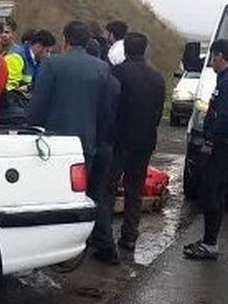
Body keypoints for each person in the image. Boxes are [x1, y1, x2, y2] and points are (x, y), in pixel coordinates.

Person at [29, 21, 121, 263]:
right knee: (84, 196)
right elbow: (104, 111)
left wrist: (29, 132)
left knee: (53, 197)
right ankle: (79, 245)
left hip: (54, 145)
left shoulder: (52, 64)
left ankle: (52, 250)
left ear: (65, 40)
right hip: (86, 143)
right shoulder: (102, 68)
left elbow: (38, 105)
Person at [183, 39, 228, 260]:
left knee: (212, 192)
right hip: (224, 144)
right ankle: (208, 240)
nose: (211, 61)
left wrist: (210, 141)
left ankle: (210, 243)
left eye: (212, 56)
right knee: (213, 191)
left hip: (222, 146)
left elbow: (224, 117)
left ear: (220, 56)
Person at [110, 31, 165, 253]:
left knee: (109, 187)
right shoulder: (156, 77)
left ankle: (101, 234)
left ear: (125, 50)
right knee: (135, 189)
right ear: (145, 49)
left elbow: (111, 106)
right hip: (145, 140)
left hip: (119, 139)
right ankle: (130, 234)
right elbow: (159, 113)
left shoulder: (117, 73)